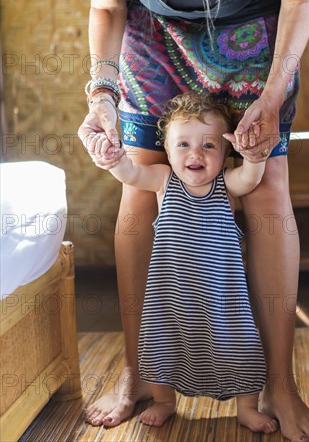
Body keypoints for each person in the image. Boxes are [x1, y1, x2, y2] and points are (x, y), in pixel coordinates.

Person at [61, 0, 309, 440]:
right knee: (140, 182)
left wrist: (273, 98)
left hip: (255, 35)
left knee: (266, 185)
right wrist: (103, 93)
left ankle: (279, 383)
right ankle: (139, 371)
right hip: (150, 36)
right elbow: (109, 4)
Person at [90, 92, 278, 433]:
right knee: (160, 349)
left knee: (240, 349)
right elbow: (131, 174)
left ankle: (247, 406)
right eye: (183, 145)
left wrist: (254, 156)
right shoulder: (164, 180)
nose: (195, 153)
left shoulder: (226, 184)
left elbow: (251, 177)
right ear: (167, 149)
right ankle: (164, 400)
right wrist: (114, 159)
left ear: (224, 153)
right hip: (171, 298)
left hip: (223, 300)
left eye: (209, 146)